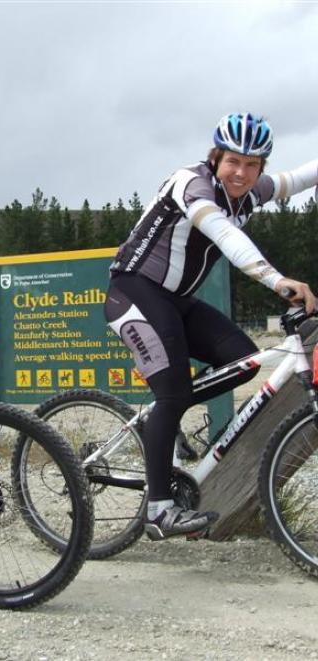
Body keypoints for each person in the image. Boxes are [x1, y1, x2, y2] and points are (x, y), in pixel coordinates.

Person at [105, 112, 318, 541]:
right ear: (216, 157)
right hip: (134, 291)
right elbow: (225, 235)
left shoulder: (249, 191)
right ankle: (159, 511)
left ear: (261, 167)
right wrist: (277, 280)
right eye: (233, 161)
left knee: (243, 360)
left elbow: (297, 179)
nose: (242, 172)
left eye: (252, 164)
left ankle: (158, 419)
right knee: (174, 393)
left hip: (177, 301)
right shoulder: (192, 183)